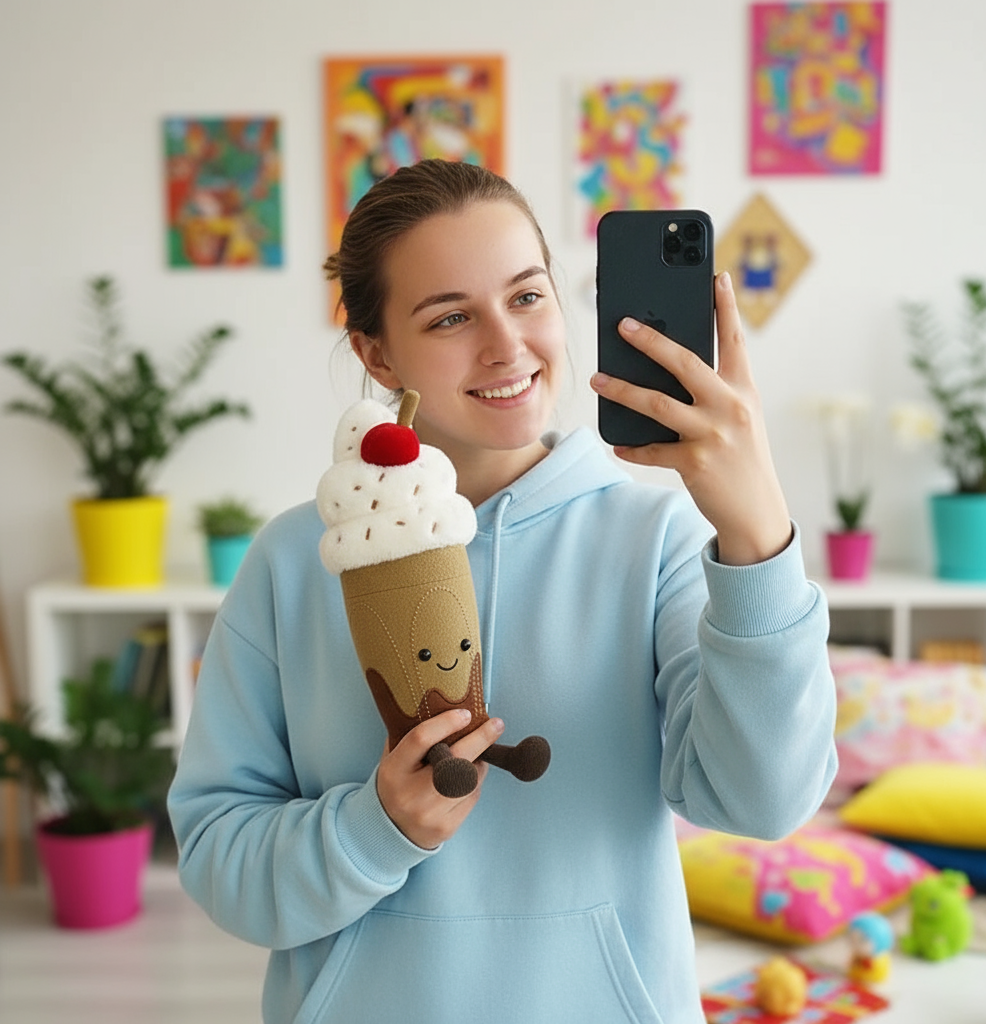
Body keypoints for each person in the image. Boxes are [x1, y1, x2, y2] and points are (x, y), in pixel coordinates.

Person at [168, 159, 837, 1023]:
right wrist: (377, 829)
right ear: (375, 352)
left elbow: (765, 803)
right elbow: (222, 863)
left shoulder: (659, 541)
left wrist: (758, 539)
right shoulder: (297, 561)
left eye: (527, 296)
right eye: (450, 316)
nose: (506, 346)